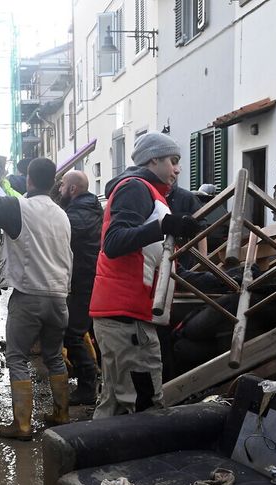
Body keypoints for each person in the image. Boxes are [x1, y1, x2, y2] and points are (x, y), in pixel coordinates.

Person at [89, 132, 201, 418]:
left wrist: (226, 278)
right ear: (153, 160)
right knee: (143, 406)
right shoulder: (135, 188)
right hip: (127, 318)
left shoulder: (151, 194)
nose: (178, 169)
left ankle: (93, 447)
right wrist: (164, 227)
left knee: (115, 403)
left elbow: (159, 264)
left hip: (125, 316)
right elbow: (114, 242)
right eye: (173, 161)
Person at [0, 158, 73, 440]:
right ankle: (61, 414)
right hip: (59, 298)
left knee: (17, 357)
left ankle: (22, 426)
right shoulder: (61, 214)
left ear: (29, 180)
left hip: (29, 297)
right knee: (54, 356)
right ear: (53, 182)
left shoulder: (18, 208)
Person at [58, 170, 103, 405]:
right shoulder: (87, 207)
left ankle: (88, 387)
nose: (59, 189)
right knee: (88, 332)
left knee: (72, 334)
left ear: (73, 189)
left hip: (85, 280)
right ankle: (97, 380)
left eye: (62, 185)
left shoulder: (78, 215)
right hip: (87, 278)